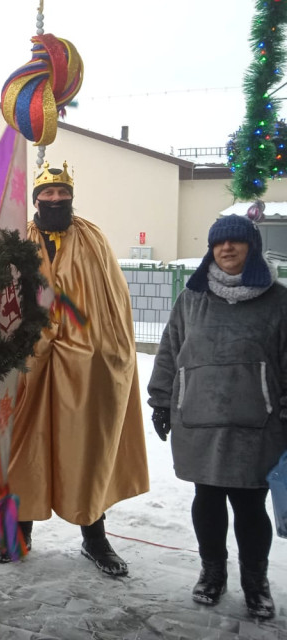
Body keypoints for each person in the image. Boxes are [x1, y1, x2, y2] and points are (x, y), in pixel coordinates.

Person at [0, 161, 149, 576]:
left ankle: (95, 536)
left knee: (85, 446)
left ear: (71, 196)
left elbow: (112, 303)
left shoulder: (93, 240)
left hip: (83, 361)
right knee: (20, 446)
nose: (55, 199)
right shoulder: (14, 238)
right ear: (35, 199)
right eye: (47, 194)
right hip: (25, 362)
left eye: (62, 193)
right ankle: (17, 530)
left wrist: (105, 352)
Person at [147, 214, 287, 619]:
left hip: (257, 424)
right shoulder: (192, 299)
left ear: (252, 247)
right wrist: (160, 399)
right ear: (211, 249)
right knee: (206, 500)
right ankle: (212, 573)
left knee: (249, 506)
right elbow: (170, 350)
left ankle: (255, 582)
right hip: (198, 419)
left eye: (236, 242)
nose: (227, 249)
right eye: (219, 243)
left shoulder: (277, 300)